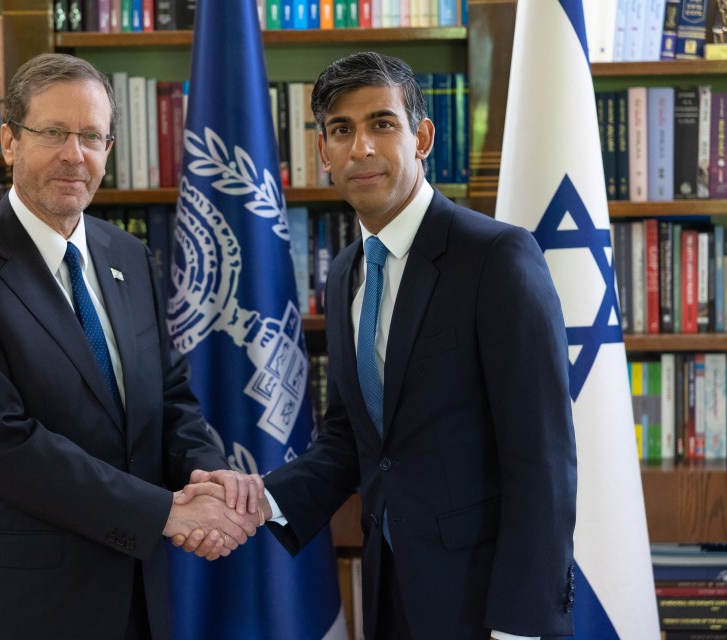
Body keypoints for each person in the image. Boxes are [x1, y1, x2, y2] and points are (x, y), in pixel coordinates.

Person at [180, 51, 578, 639]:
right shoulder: (345, 274)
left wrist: (522, 625)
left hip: (488, 602)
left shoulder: (497, 257)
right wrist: (260, 500)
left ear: (421, 136)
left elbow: (542, 459)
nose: (360, 147)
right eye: (341, 130)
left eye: (381, 124)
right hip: (388, 587)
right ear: (323, 154)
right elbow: (352, 438)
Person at [0, 53, 263, 640]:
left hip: (135, 593)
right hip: (22, 603)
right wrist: (169, 513)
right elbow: (6, 445)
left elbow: (169, 396)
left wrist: (209, 478)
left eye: (92, 136)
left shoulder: (128, 255)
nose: (75, 155)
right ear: (9, 143)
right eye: (53, 133)